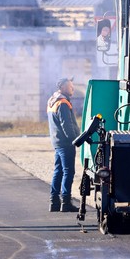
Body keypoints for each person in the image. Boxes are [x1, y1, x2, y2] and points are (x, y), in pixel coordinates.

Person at [48, 77, 80, 212]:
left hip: (57, 141)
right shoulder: (63, 103)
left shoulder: (52, 101)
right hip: (66, 143)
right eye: (70, 86)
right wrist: (75, 139)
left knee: (58, 171)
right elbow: (66, 125)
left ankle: (54, 202)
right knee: (68, 171)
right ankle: (66, 202)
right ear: (62, 88)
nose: (72, 88)